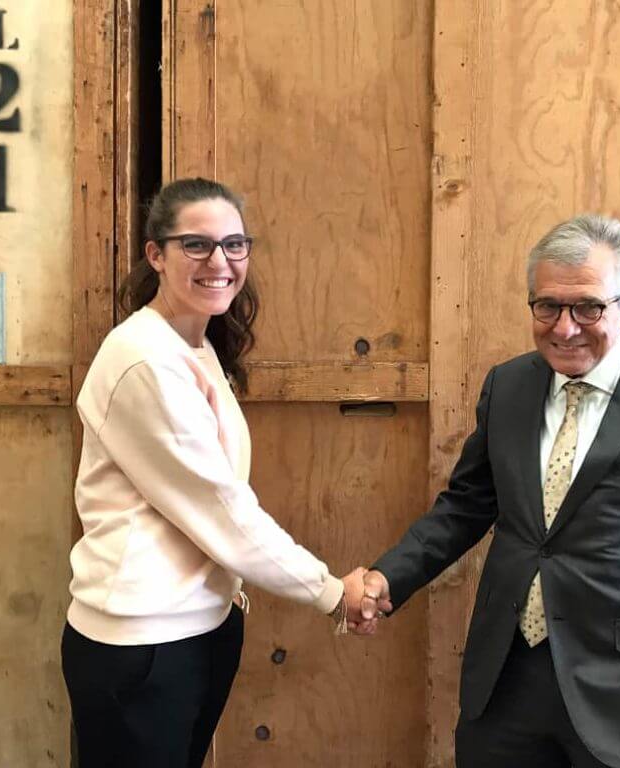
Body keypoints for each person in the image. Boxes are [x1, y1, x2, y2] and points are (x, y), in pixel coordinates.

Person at [354, 214, 620, 768]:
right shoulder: (509, 385)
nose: (564, 327)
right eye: (547, 306)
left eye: (588, 308)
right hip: (506, 687)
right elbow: (465, 507)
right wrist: (388, 576)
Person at [61, 178, 381, 768]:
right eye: (197, 245)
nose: (221, 262)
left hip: (196, 627)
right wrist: (333, 592)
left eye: (235, 245)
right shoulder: (144, 360)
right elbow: (222, 509)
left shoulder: (195, 346)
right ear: (156, 255)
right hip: (143, 643)